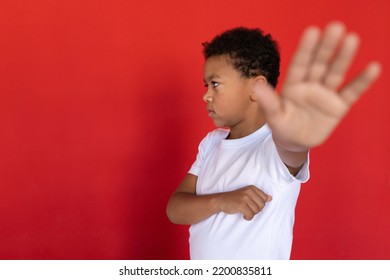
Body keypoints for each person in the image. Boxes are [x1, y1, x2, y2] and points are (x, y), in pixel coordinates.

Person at [166, 21, 381, 259]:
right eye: (206, 85)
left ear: (256, 88)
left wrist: (298, 137)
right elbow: (175, 209)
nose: (206, 95)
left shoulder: (275, 146)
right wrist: (222, 201)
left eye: (215, 84)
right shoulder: (211, 143)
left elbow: (291, 148)